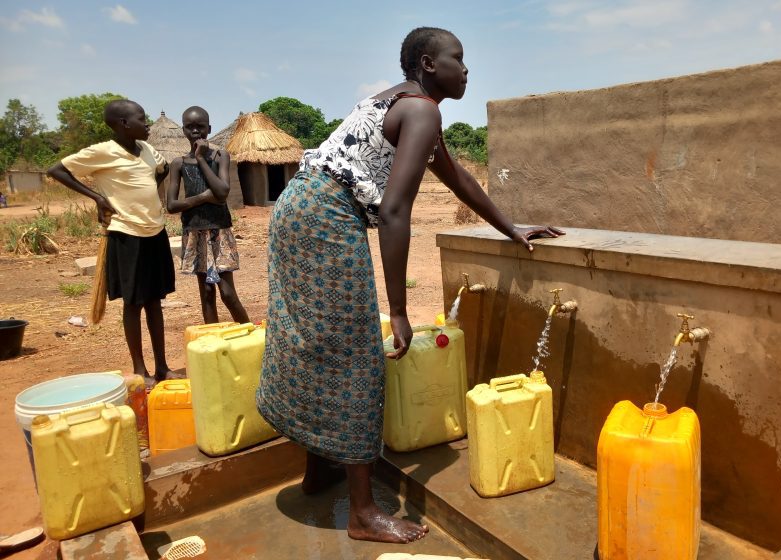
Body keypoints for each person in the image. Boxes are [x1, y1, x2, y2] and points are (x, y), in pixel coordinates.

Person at [256, 27, 563, 544]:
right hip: (327, 218)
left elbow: (456, 177)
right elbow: (396, 210)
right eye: (457, 59)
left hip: (297, 208)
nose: (466, 69)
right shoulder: (422, 109)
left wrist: (511, 227)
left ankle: (318, 469)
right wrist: (398, 309)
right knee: (356, 351)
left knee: (321, 341)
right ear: (427, 64)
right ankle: (362, 513)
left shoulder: (405, 104)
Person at [48, 99, 175, 387]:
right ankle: (140, 370)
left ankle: (163, 366)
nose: (148, 124)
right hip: (126, 234)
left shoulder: (147, 150)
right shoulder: (103, 152)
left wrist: (146, 196)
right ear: (123, 124)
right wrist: (98, 198)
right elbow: (56, 170)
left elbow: (162, 170)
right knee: (134, 303)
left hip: (155, 232)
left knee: (155, 301)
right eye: (142, 119)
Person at [166, 106, 249, 325]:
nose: (195, 131)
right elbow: (172, 205)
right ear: (183, 130)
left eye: (200, 126)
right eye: (190, 127)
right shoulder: (178, 164)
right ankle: (214, 346)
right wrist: (203, 197)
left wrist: (201, 158)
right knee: (206, 294)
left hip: (219, 230)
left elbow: (222, 194)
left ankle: (250, 335)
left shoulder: (220, 156)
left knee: (228, 293)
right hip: (193, 231)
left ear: (209, 129)